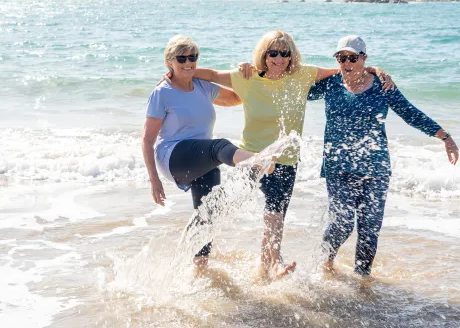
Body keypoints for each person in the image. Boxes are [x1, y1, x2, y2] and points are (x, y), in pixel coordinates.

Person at [182, 30, 395, 281]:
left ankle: (266, 270)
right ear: (264, 54)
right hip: (251, 157)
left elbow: (345, 69)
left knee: (275, 215)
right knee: (227, 210)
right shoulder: (246, 77)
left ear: (291, 55)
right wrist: (178, 73)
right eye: (273, 53)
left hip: (285, 160)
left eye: (285, 53)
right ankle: (205, 259)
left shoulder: (303, 74)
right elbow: (208, 75)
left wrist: (376, 70)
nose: (279, 59)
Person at [308, 35, 460, 276]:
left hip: (375, 170)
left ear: (363, 58)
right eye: (341, 58)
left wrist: (445, 137)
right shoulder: (330, 84)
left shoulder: (382, 86)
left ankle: (362, 281)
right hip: (338, 168)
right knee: (342, 224)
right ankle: (324, 264)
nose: (346, 63)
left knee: (369, 230)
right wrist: (258, 77)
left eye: (352, 58)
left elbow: (410, 113)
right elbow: (293, 89)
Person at [142, 35, 273, 271]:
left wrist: (245, 73)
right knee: (219, 145)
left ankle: (198, 270)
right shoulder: (162, 92)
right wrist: (154, 180)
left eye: (193, 57)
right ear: (169, 62)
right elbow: (147, 139)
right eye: (182, 58)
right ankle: (254, 161)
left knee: (209, 213)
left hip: (203, 159)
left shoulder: (202, 86)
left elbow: (236, 98)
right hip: (173, 156)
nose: (188, 62)